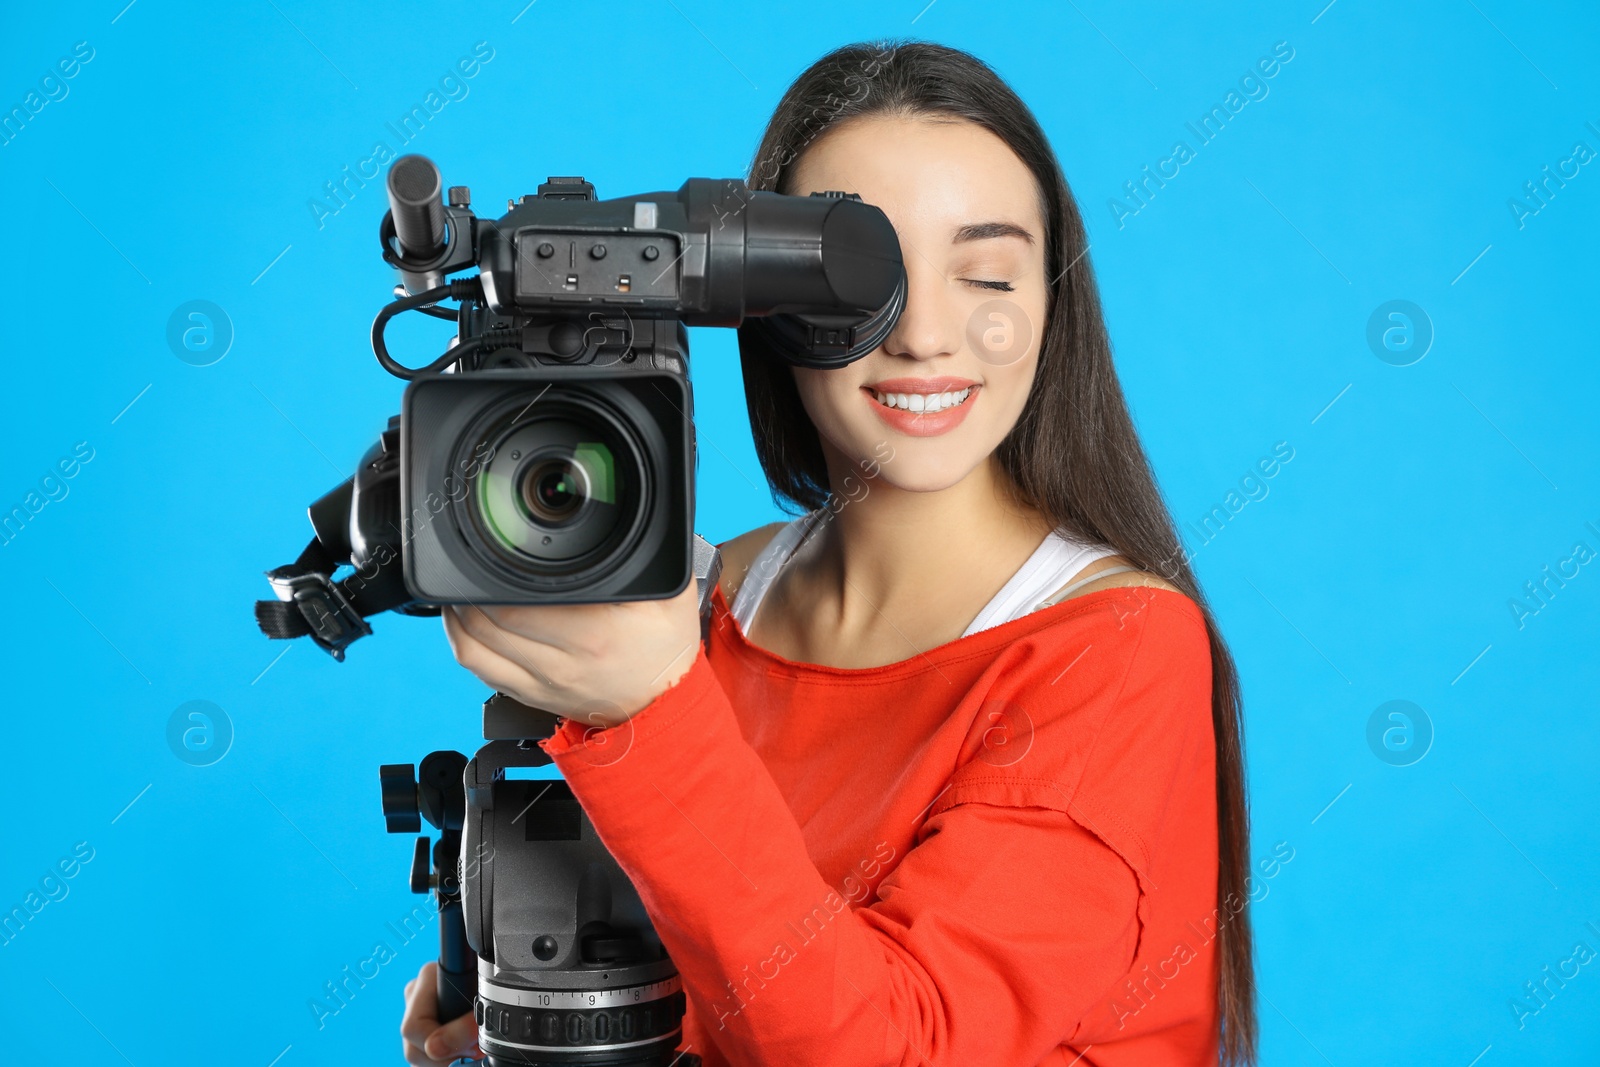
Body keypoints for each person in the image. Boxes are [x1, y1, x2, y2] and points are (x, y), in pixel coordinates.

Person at [401, 39, 1255, 1067]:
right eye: (865, 279)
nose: (927, 334)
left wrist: (652, 710)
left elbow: (890, 1046)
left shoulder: (1119, 649)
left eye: (985, 273)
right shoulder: (696, 602)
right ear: (767, 307)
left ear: (1051, 301)